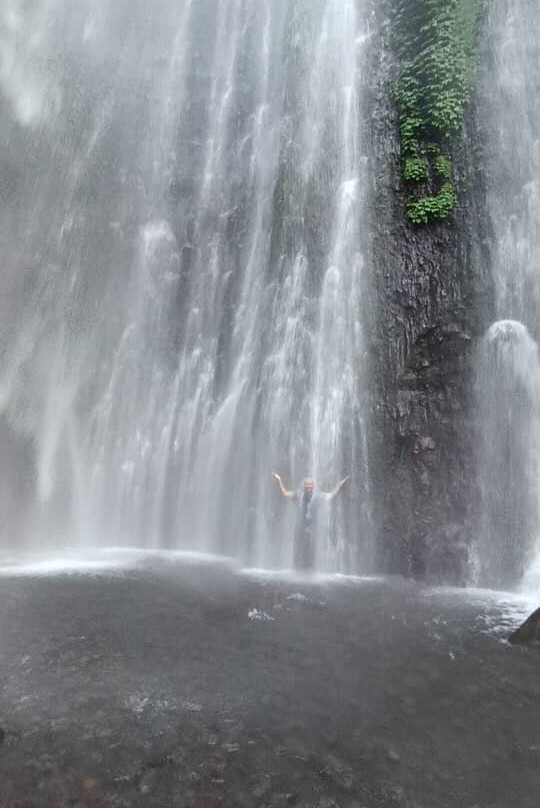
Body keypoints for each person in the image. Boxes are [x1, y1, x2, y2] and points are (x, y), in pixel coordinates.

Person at [272, 473, 350, 570]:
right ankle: (297, 570)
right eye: (306, 485)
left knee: (312, 550)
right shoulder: (298, 496)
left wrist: (339, 484)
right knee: (299, 550)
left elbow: (332, 495)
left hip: (313, 530)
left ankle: (312, 570)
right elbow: (284, 493)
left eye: (310, 485)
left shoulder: (318, 496)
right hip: (300, 529)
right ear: (303, 486)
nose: (308, 487)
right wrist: (279, 480)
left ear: (313, 486)